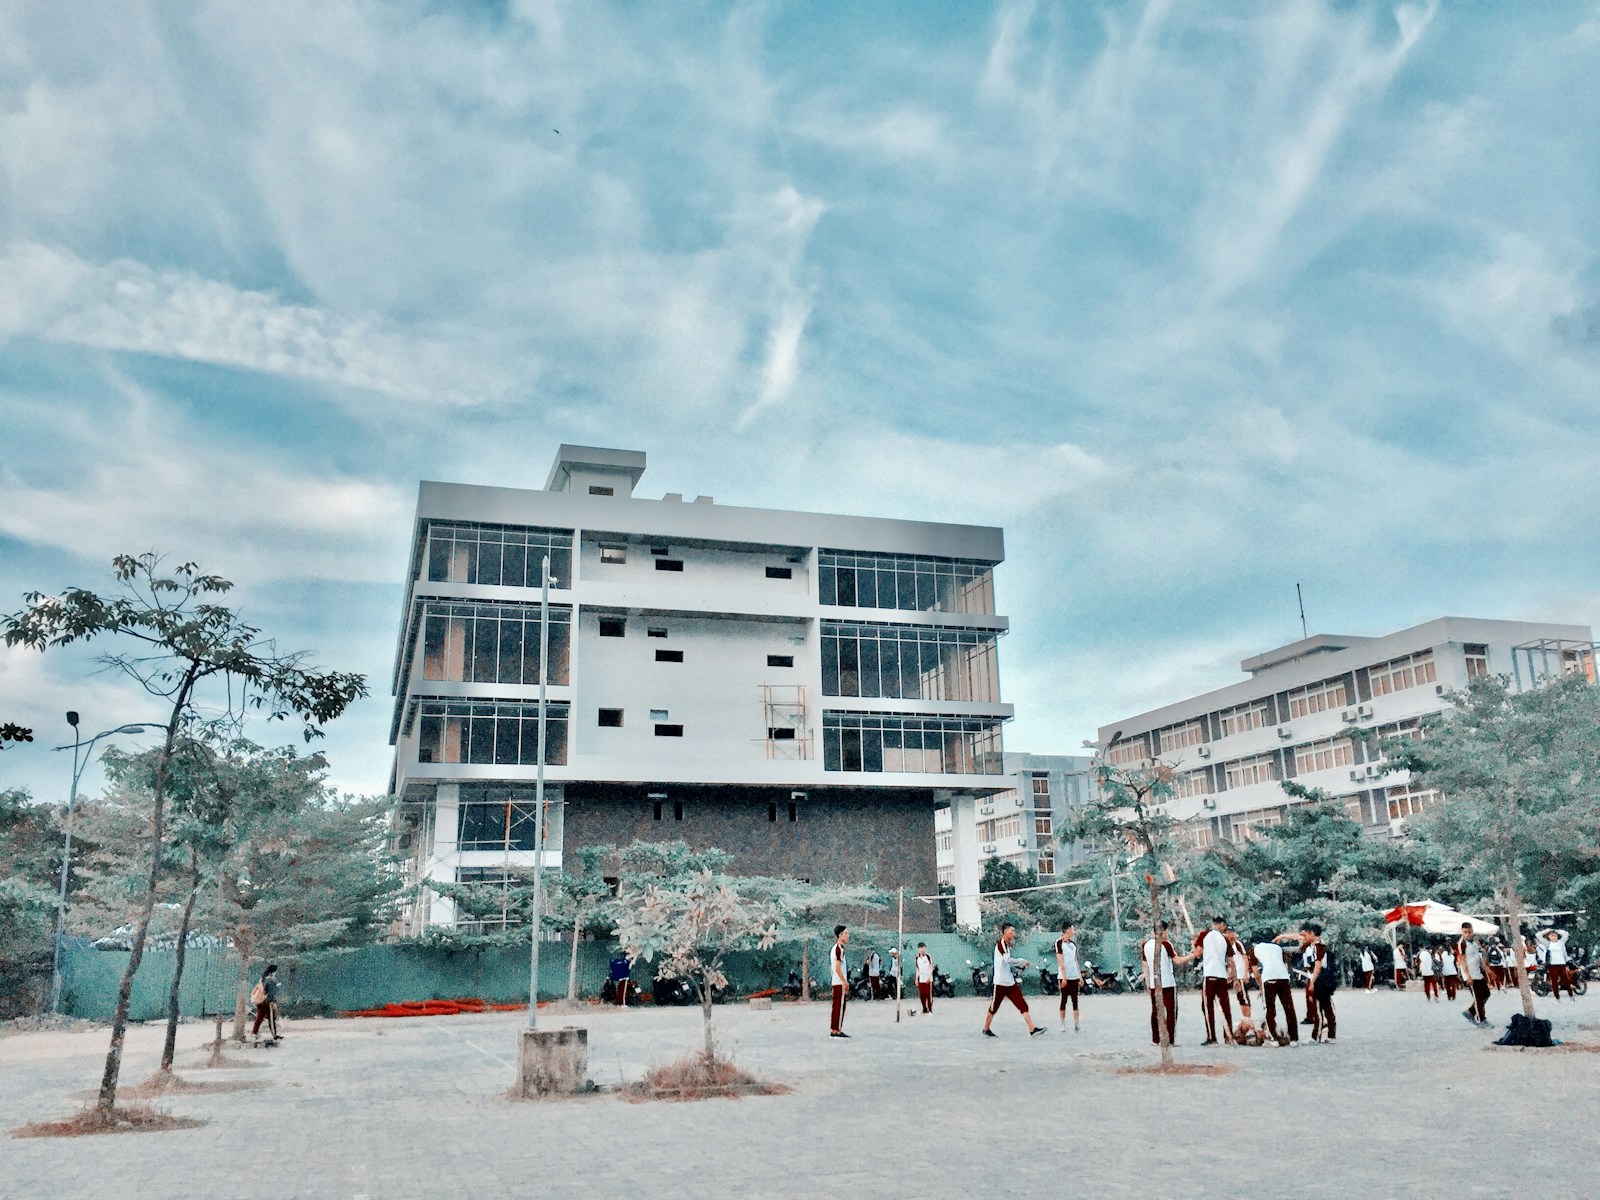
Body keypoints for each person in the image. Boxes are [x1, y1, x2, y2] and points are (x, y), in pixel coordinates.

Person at [982, 922, 1045, 1038]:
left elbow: (1008, 966)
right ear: (1005, 932)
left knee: (1022, 1005)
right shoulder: (1001, 944)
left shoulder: (1007, 945)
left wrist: (1020, 968)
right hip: (1000, 983)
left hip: (1010, 982)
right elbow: (1007, 960)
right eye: (1012, 931)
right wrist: (1021, 961)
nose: (1014, 933)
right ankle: (986, 1029)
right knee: (994, 1007)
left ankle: (1032, 1029)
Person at [1142, 922, 1197, 1046]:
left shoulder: (1146, 945)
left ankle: (1155, 1039)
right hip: (1167, 982)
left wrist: (1147, 981)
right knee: (1171, 1011)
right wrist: (1193, 955)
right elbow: (1177, 960)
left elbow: (1145, 965)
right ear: (1164, 931)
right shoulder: (1166, 944)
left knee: (1155, 1010)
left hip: (1153, 983)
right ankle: (1170, 1039)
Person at [1252, 931, 1297, 1045]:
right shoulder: (1277, 947)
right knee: (1289, 1008)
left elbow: (1256, 972)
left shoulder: (1255, 949)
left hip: (1269, 977)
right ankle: (1293, 1038)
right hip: (1283, 977)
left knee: (1269, 1009)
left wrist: (1260, 986)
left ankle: (1273, 1038)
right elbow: (1285, 962)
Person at [1196, 915, 1235, 1046]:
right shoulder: (1226, 940)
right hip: (1222, 975)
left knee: (1207, 1006)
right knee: (1225, 1006)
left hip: (1210, 974)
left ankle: (1211, 1037)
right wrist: (1232, 975)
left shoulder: (1204, 935)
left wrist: (1194, 945)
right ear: (1221, 925)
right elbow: (1231, 961)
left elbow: (1197, 953)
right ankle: (1228, 1036)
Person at [1295, 924, 1337, 1043]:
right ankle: (1330, 1035)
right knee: (1326, 1006)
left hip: (1319, 976)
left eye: (1306, 935)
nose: (1304, 938)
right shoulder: (1314, 945)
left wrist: (1313, 981)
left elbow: (1318, 964)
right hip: (1319, 975)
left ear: (1312, 933)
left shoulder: (1318, 946)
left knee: (1319, 1007)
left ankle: (1316, 1036)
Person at [1457, 923, 1490, 1026]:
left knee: (1486, 994)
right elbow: (1462, 960)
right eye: (1465, 932)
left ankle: (1471, 1011)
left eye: (1469, 932)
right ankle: (1481, 1020)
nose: (1467, 934)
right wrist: (1468, 976)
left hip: (1478, 973)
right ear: (1462, 932)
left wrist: (1487, 970)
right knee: (1478, 998)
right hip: (1470, 975)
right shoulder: (1462, 943)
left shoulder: (1474, 944)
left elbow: (1478, 959)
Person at [1055, 920, 1082, 1032]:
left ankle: (1076, 1024)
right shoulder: (1059, 943)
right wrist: (1064, 977)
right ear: (1067, 930)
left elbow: (1075, 960)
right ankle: (1062, 1023)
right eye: (1072, 929)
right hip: (1064, 976)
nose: (1074, 931)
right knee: (1064, 1000)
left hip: (1074, 975)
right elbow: (1060, 961)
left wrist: (1080, 976)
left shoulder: (1073, 945)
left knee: (1075, 1000)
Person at [1227, 924, 1254, 1022]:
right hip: (1234, 975)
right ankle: (1244, 1017)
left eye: (1231, 933)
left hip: (1240, 974)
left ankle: (1248, 1018)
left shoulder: (1237, 944)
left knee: (1244, 996)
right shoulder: (1226, 945)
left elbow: (1245, 958)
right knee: (1239, 996)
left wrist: (1246, 973)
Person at [1539, 928, 1574, 1000]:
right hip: (1552, 965)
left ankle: (1571, 995)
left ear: (1557, 936)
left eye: (1554, 936)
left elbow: (1566, 934)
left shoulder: (1561, 943)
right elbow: (1538, 935)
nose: (1553, 937)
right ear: (1549, 937)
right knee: (1554, 982)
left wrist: (1557, 930)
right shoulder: (1548, 944)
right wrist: (1546, 931)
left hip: (1561, 964)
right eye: (1551, 936)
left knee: (1566, 980)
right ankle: (1557, 997)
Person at [829, 925, 851, 1038]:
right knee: (839, 1006)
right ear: (840, 935)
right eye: (846, 933)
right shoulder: (838, 949)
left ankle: (835, 1028)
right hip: (839, 983)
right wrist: (844, 981)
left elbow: (832, 968)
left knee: (837, 1006)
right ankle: (836, 1030)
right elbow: (837, 968)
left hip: (836, 981)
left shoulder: (836, 948)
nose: (848, 936)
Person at [250, 964, 281, 1043]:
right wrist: (272, 1002)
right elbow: (271, 993)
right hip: (267, 1002)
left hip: (260, 1001)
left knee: (259, 1018)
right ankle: (274, 1035)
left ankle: (254, 1033)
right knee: (271, 1018)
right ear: (273, 972)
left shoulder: (263, 979)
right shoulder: (271, 980)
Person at [914, 943, 936, 1013]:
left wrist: (929, 977)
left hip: (928, 979)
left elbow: (932, 967)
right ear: (918, 949)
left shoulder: (928, 957)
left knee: (928, 995)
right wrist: (916, 979)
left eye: (923, 947)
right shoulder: (917, 958)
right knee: (922, 995)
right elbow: (917, 969)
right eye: (920, 948)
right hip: (921, 979)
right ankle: (924, 1009)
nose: (922, 949)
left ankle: (930, 1009)